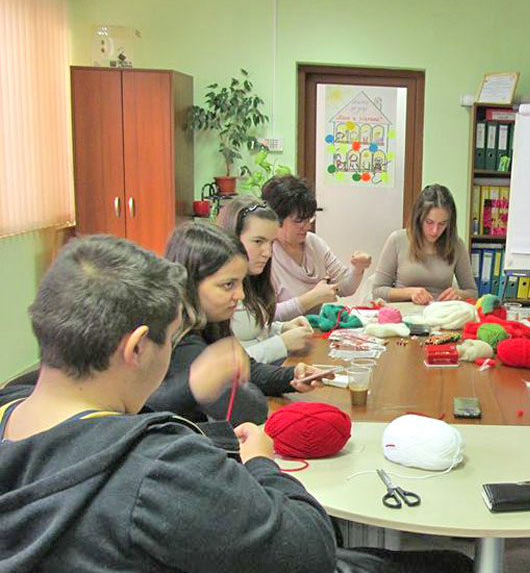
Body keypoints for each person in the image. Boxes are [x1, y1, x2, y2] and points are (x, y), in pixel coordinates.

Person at [0, 235, 472, 573]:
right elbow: (310, 550)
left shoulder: (15, 410)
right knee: (450, 564)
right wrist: (262, 464)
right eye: (171, 339)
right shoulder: (159, 470)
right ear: (137, 347)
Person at [146, 222, 325, 425]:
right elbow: (250, 410)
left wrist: (291, 375)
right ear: (190, 284)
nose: (240, 295)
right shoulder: (184, 344)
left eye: (241, 283)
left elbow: (248, 368)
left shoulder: (212, 321)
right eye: (228, 284)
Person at [217, 196, 314, 364]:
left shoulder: (252, 279)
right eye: (258, 241)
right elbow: (223, 366)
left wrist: (281, 328)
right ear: (231, 239)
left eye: (271, 243)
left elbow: (253, 331)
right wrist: (281, 343)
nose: (267, 253)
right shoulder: (215, 291)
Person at [261, 175, 372, 320]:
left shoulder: (314, 243)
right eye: (299, 221)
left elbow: (345, 288)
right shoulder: (264, 254)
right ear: (276, 219)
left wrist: (357, 268)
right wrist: (312, 298)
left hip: (311, 329)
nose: (307, 226)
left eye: (309, 219)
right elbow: (265, 316)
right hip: (283, 332)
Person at [372, 184, 477, 304]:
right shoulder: (397, 240)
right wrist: (409, 293)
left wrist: (459, 295)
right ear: (419, 218)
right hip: (402, 312)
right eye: (429, 222)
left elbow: (473, 293)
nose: (435, 230)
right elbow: (377, 291)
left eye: (442, 224)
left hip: (440, 312)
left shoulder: (456, 245)